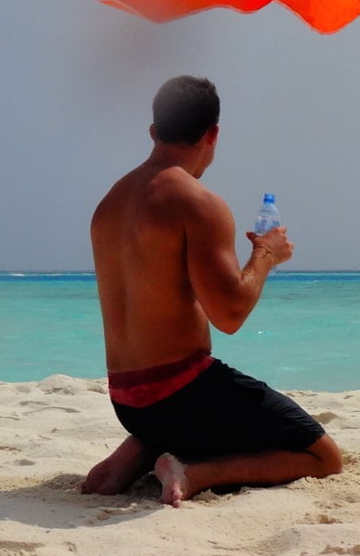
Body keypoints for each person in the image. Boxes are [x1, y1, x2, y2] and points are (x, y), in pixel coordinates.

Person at [79, 75, 343, 505]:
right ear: (212, 134)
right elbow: (230, 315)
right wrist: (266, 256)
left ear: (153, 132)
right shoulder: (198, 202)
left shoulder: (109, 204)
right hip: (183, 395)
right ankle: (193, 472)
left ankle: (144, 446)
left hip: (127, 400)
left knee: (196, 413)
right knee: (322, 455)